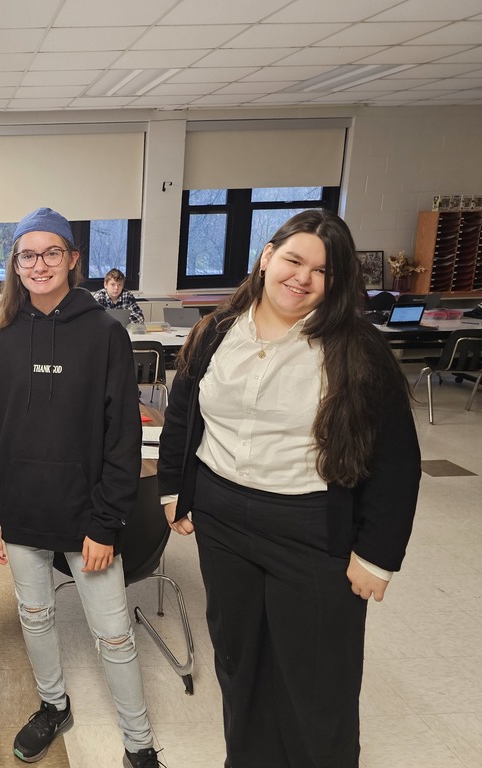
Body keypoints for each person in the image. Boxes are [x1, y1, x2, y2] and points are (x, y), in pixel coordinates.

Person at [158, 210, 421, 768]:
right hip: (223, 520)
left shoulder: (356, 349)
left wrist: (377, 555)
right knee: (239, 661)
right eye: (294, 259)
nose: (302, 277)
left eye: (321, 271)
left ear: (337, 281)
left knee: (318, 676)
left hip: (312, 529)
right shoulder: (217, 331)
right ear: (267, 257)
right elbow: (182, 410)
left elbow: (398, 460)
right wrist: (173, 490)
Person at [0, 208, 162, 768]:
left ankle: (139, 742)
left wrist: (106, 523)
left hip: (88, 520)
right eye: (26, 255)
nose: (39, 264)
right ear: (15, 264)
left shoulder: (105, 335)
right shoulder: (4, 339)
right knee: (35, 616)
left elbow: (123, 438)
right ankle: (53, 705)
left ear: (73, 259)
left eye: (50, 253)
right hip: (22, 512)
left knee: (115, 635)